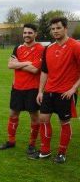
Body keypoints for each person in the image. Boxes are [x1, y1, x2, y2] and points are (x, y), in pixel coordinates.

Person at [28, 17, 80, 163]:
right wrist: (40, 91)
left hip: (66, 93)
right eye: (53, 29)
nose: (55, 31)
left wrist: (73, 89)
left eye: (58, 28)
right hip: (49, 91)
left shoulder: (75, 46)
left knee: (64, 122)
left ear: (65, 28)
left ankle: (62, 153)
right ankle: (45, 151)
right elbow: (44, 71)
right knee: (43, 119)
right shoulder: (48, 49)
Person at [0, 24, 44, 155]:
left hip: (33, 89)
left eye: (30, 32)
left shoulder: (41, 49)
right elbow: (9, 65)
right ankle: (11, 141)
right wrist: (27, 63)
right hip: (17, 87)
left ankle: (32, 144)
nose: (27, 35)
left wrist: (17, 64)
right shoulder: (17, 48)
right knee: (13, 114)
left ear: (35, 33)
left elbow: (35, 70)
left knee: (35, 117)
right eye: (25, 33)